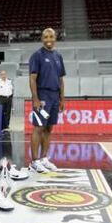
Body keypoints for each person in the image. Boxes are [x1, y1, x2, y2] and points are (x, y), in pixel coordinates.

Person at [28, 28, 65, 173]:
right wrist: (35, 98)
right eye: (45, 37)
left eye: (51, 36)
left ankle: (44, 158)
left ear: (55, 38)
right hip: (42, 96)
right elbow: (32, 79)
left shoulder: (58, 56)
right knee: (39, 127)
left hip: (55, 97)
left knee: (49, 128)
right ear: (42, 39)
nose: (48, 39)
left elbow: (61, 79)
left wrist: (62, 99)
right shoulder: (37, 55)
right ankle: (34, 161)